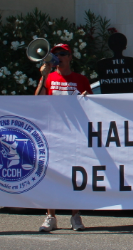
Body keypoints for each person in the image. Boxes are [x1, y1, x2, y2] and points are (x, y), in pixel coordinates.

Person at [34, 43, 92, 232]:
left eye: (63, 54)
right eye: (55, 54)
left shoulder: (80, 79)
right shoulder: (49, 78)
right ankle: (50, 216)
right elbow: (37, 99)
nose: (59, 57)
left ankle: (75, 215)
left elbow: (93, 105)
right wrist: (43, 75)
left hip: (75, 134)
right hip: (53, 133)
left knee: (74, 176)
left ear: (70, 57)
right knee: (52, 175)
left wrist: (86, 97)